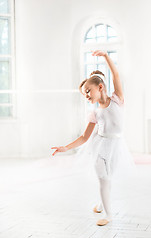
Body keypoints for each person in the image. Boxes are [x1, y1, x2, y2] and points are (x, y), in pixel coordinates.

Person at [51, 50, 136, 226]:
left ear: (100, 87)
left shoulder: (117, 99)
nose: (87, 96)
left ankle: (100, 203)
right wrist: (65, 148)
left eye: (88, 91)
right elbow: (84, 137)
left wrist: (105, 57)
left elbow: (116, 74)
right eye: (84, 94)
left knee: (109, 177)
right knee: (103, 179)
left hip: (117, 144)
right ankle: (108, 214)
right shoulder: (94, 113)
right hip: (101, 147)